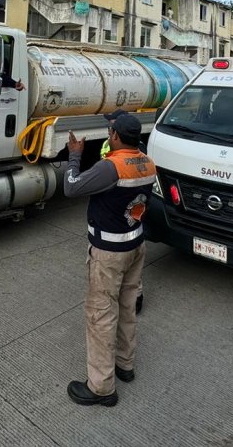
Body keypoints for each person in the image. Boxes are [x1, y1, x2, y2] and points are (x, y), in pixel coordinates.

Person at [64, 113, 155, 407]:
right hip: (135, 247)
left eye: (109, 131)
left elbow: (72, 187)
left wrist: (75, 157)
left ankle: (101, 387)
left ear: (115, 136)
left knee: (101, 315)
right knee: (127, 307)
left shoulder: (111, 166)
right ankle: (124, 366)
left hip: (109, 253)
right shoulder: (147, 162)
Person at [101, 108, 145, 314]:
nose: (109, 128)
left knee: (122, 271)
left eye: (111, 124)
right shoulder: (111, 145)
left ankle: (135, 299)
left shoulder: (135, 151)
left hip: (122, 211)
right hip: (125, 208)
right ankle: (132, 300)